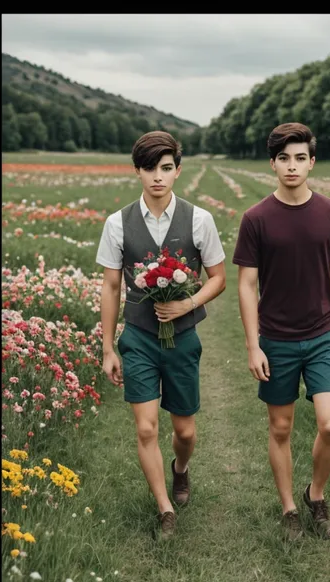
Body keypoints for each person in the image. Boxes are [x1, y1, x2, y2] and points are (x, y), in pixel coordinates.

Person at [232, 122, 330, 541]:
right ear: (272, 163)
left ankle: (315, 494)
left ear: (312, 162)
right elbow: (247, 286)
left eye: (300, 158)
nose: (292, 166)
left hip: (324, 334)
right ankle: (289, 508)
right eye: (284, 158)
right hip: (276, 338)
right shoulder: (255, 219)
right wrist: (253, 346)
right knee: (281, 428)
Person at [96, 130, 226, 539]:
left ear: (177, 171)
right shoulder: (117, 224)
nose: (157, 176)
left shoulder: (200, 219)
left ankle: (180, 469)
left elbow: (218, 278)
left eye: (165, 168)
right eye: (149, 168)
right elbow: (112, 287)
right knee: (148, 428)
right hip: (137, 337)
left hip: (183, 335)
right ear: (137, 171)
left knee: (184, 431)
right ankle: (165, 508)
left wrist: (186, 304)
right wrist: (107, 347)